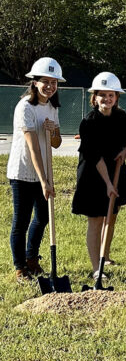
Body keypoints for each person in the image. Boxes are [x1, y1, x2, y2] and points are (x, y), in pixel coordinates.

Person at [71, 72, 126, 278]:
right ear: (94, 97)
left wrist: (125, 151)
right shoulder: (89, 122)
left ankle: (105, 256)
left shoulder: (121, 117)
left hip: (115, 169)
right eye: (102, 95)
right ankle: (96, 268)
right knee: (97, 219)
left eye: (111, 95)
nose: (107, 99)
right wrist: (109, 184)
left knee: (112, 215)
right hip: (93, 174)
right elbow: (95, 156)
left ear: (116, 97)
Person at [7, 58, 64, 282]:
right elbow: (32, 147)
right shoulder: (25, 107)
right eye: (45, 81)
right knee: (21, 221)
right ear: (34, 82)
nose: (49, 86)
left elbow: (56, 143)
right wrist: (44, 181)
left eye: (54, 82)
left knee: (42, 217)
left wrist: (53, 132)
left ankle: (32, 259)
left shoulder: (52, 107)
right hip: (22, 172)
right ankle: (20, 267)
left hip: (44, 172)